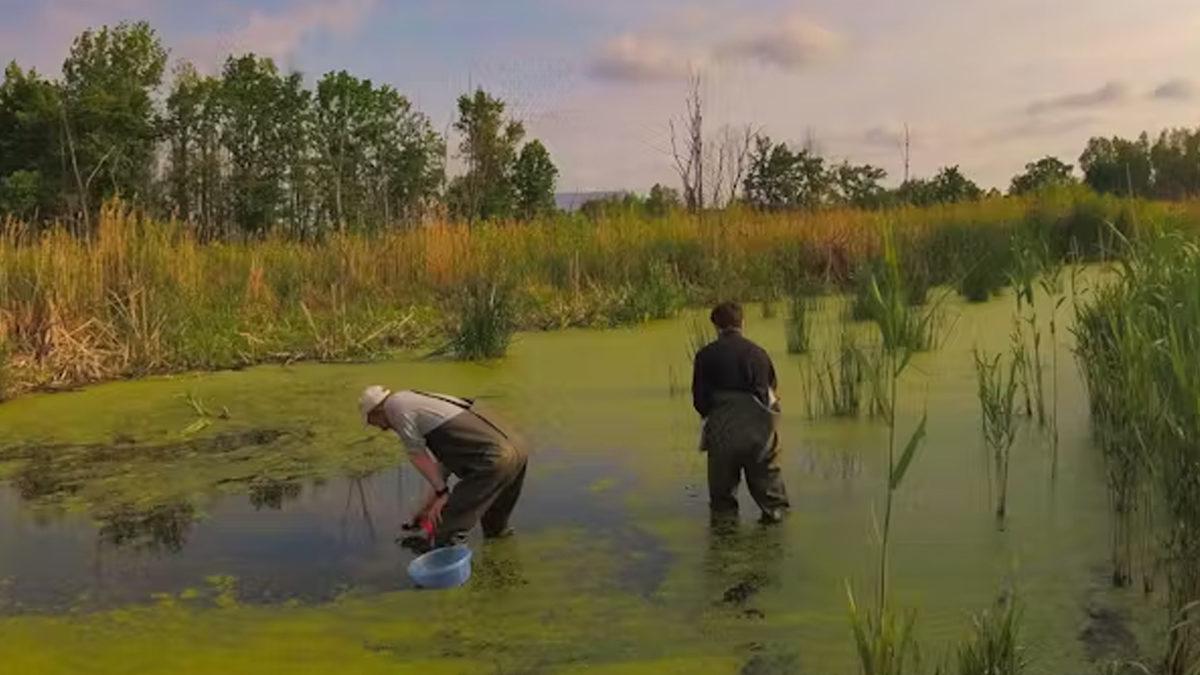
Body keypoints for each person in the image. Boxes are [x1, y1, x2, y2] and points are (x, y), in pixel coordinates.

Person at [359, 386, 527, 550]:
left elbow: (416, 454)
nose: (381, 428)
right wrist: (426, 507)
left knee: (447, 530)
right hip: (517, 450)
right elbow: (446, 463)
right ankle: (504, 563)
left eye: (373, 422)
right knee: (496, 528)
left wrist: (442, 494)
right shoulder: (419, 402)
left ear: (377, 411)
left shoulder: (394, 408)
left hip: (494, 460)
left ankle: (450, 564)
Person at [691, 302, 790, 524]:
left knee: (722, 506)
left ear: (716, 326)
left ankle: (727, 540)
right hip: (758, 433)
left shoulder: (705, 356)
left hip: (722, 432)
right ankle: (774, 535)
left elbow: (700, 401)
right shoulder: (758, 354)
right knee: (774, 506)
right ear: (742, 323)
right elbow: (769, 394)